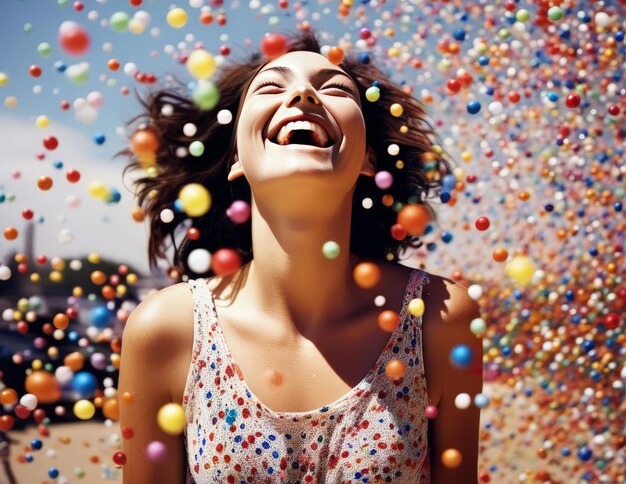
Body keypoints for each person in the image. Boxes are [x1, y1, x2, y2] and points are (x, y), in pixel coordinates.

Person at [118, 29, 482, 483]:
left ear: (368, 158)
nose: (305, 94)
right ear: (237, 157)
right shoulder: (166, 330)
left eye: (334, 88)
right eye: (272, 87)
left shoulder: (438, 319)